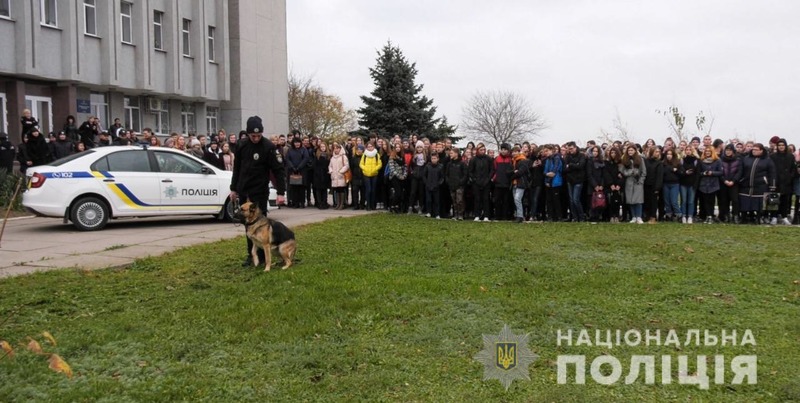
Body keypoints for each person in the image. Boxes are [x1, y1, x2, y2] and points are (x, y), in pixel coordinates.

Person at [229, 116, 286, 267]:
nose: (255, 138)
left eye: (258, 135)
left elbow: (278, 170)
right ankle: (251, 255)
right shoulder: (241, 145)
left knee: (261, 226)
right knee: (248, 226)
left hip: (259, 192)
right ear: (248, 134)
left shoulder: (268, 147)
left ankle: (262, 256)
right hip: (244, 190)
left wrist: (281, 192)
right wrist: (233, 188)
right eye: (252, 136)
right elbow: (237, 169)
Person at [738, 143, 775, 224]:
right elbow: (741, 170)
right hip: (746, 185)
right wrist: (740, 180)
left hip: (760, 185)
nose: (754, 151)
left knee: (758, 204)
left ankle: (758, 219)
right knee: (745, 202)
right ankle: (743, 218)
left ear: (761, 151)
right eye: (753, 149)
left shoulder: (767, 160)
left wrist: (772, 185)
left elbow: (772, 173)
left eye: (756, 150)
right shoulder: (746, 158)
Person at [770, 138, 796, 225]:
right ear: (777, 146)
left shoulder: (790, 156)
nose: (781, 147)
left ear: (785, 146)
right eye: (779, 145)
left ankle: (784, 217)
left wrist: (790, 177)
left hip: (786, 182)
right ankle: (774, 217)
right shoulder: (773, 156)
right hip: (776, 181)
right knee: (774, 200)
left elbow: (793, 169)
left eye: (783, 145)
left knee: (785, 200)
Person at [621, 145, 646, 224]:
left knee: (638, 200)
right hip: (629, 182)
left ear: (635, 151)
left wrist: (641, 180)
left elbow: (644, 171)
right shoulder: (624, 160)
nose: (630, 152)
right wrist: (629, 172)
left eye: (632, 150)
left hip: (638, 182)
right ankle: (633, 216)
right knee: (630, 200)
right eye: (629, 150)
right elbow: (623, 171)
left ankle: (639, 217)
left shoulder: (640, 159)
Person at [697, 147, 723, 224]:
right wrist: (703, 173)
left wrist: (712, 173)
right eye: (706, 151)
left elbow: (721, 172)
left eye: (709, 151)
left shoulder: (717, 160)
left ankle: (711, 216)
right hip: (703, 184)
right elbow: (698, 173)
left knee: (711, 201)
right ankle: (707, 216)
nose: (707, 152)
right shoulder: (701, 161)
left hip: (713, 184)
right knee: (705, 201)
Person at [563, 141, 588, 222]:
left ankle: (581, 217)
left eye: (571, 149)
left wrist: (570, 165)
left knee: (576, 199)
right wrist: (574, 165)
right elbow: (565, 169)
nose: (570, 150)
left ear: (575, 147)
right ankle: (575, 217)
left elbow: (580, 166)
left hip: (578, 180)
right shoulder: (567, 157)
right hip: (570, 180)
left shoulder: (581, 155)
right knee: (571, 200)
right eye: (569, 149)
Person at [285, 137, 311, 208]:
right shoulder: (290, 150)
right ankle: (295, 202)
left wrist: (299, 167)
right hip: (292, 171)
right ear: (293, 143)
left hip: (302, 171)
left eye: (298, 142)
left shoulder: (304, 150)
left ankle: (302, 202)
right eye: (295, 142)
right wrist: (292, 167)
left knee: (302, 188)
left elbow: (306, 158)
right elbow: (287, 159)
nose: (297, 144)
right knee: (294, 188)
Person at [445, 148, 467, 220]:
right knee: (454, 201)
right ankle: (455, 214)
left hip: (459, 185)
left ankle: (461, 214)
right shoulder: (449, 164)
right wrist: (448, 181)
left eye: (451, 153)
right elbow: (447, 174)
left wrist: (461, 182)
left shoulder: (462, 163)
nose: (450, 155)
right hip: (452, 185)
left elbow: (465, 175)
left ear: (456, 154)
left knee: (459, 200)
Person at [679, 145, 700, 224]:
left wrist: (696, 184)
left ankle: (690, 216)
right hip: (683, 183)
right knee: (683, 201)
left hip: (692, 184)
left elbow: (698, 173)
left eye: (689, 149)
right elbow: (680, 172)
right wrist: (685, 173)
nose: (688, 151)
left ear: (692, 151)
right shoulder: (682, 160)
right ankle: (684, 216)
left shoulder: (696, 160)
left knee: (691, 201)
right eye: (686, 149)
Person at [359, 141, 382, 211]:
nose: (370, 148)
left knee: (373, 190)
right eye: (368, 147)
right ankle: (368, 205)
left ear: (373, 147)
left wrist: (375, 169)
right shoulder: (364, 155)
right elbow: (361, 164)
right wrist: (365, 169)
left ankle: (373, 205)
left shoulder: (376, 155)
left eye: (371, 146)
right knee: (368, 190)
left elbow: (380, 164)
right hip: (366, 174)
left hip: (374, 174)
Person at [544, 145, 564, 222]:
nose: (546, 153)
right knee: (549, 200)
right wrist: (547, 178)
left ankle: (558, 216)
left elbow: (554, 171)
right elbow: (545, 171)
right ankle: (550, 216)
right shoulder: (547, 160)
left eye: (547, 151)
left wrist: (549, 177)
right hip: (548, 182)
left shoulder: (557, 158)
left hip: (556, 182)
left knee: (556, 200)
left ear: (551, 150)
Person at [511, 147, 532, 223]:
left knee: (517, 199)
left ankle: (520, 216)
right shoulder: (513, 161)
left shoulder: (523, 160)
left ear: (519, 152)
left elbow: (520, 172)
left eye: (515, 152)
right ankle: (518, 215)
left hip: (521, 182)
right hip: (514, 183)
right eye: (513, 152)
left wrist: (513, 174)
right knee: (516, 200)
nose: (513, 153)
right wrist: (514, 172)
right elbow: (512, 171)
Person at [643, 147, 663, 223]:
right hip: (646, 184)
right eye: (656, 152)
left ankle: (653, 216)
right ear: (652, 152)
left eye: (658, 152)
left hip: (654, 186)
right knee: (646, 201)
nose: (658, 153)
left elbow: (659, 176)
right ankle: (647, 216)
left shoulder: (659, 163)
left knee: (653, 202)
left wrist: (657, 188)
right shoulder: (646, 161)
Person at [661, 148, 682, 222]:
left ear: (673, 155)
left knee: (674, 201)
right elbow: (663, 173)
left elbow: (681, 173)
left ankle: (679, 214)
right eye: (667, 154)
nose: (669, 156)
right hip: (666, 184)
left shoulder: (677, 163)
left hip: (675, 184)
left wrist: (676, 171)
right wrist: (671, 169)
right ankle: (668, 215)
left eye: (670, 154)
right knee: (667, 201)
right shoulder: (663, 163)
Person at [386, 148, 408, 214]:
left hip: (402, 177)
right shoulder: (392, 157)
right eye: (396, 147)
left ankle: (396, 206)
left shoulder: (402, 157)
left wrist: (404, 175)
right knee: (397, 192)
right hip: (394, 177)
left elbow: (405, 166)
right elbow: (392, 168)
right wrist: (399, 176)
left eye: (399, 147)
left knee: (401, 193)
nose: (398, 148)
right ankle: (392, 205)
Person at [328, 143, 350, 210]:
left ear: (340, 149)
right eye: (335, 148)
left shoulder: (343, 156)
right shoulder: (332, 157)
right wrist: (331, 171)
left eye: (337, 148)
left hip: (341, 176)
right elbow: (330, 166)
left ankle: (342, 204)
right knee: (336, 190)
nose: (336, 150)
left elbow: (346, 166)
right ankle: (338, 203)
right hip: (335, 176)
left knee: (341, 190)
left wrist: (341, 172)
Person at [423, 153, 444, 219]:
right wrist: (426, 183)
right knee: (428, 200)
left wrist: (439, 184)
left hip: (436, 187)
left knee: (436, 201)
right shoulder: (427, 166)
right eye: (432, 158)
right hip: (428, 186)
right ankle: (428, 212)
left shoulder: (440, 166)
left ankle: (437, 214)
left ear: (438, 159)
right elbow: (424, 175)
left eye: (435, 158)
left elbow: (442, 177)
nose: (433, 160)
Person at [312, 142, 331, 209]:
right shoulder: (317, 156)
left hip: (325, 174)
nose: (323, 148)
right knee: (318, 190)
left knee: (324, 190)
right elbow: (314, 165)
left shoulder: (328, 155)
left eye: (324, 146)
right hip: (318, 175)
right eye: (321, 147)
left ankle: (324, 202)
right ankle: (319, 203)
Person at [349, 145, 365, 210]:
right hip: (355, 177)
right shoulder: (353, 158)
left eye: (360, 149)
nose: (359, 150)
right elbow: (351, 167)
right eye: (358, 149)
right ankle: (356, 205)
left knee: (363, 192)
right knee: (355, 191)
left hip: (363, 176)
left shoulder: (364, 157)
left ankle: (362, 204)